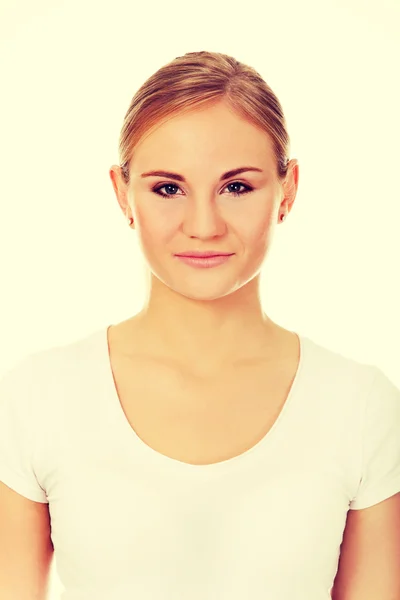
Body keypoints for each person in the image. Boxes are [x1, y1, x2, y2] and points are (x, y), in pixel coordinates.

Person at [1, 50, 399, 600]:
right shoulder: (37, 397)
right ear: (122, 193)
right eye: (168, 188)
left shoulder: (361, 405)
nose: (203, 225)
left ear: (288, 190)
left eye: (237, 187)